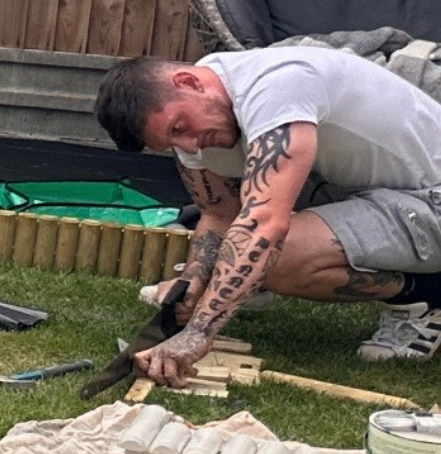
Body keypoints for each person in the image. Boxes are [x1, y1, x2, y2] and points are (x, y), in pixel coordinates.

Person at [94, 45, 441, 384]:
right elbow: (217, 214)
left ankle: (424, 295)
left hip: (430, 199)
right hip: (371, 193)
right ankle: (244, 285)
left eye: (179, 128)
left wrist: (199, 330)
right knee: (255, 247)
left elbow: (265, 225)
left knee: (275, 253)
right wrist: (197, 279)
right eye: (171, 142)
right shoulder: (204, 105)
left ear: (189, 82)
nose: (189, 147)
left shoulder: (277, 86)